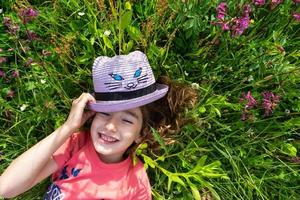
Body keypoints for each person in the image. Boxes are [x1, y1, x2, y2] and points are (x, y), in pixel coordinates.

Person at [0, 51, 197, 199]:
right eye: (104, 114)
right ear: (92, 116)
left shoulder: (135, 181)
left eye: (127, 120)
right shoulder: (75, 145)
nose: (111, 126)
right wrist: (68, 128)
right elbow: (6, 187)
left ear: (141, 133)